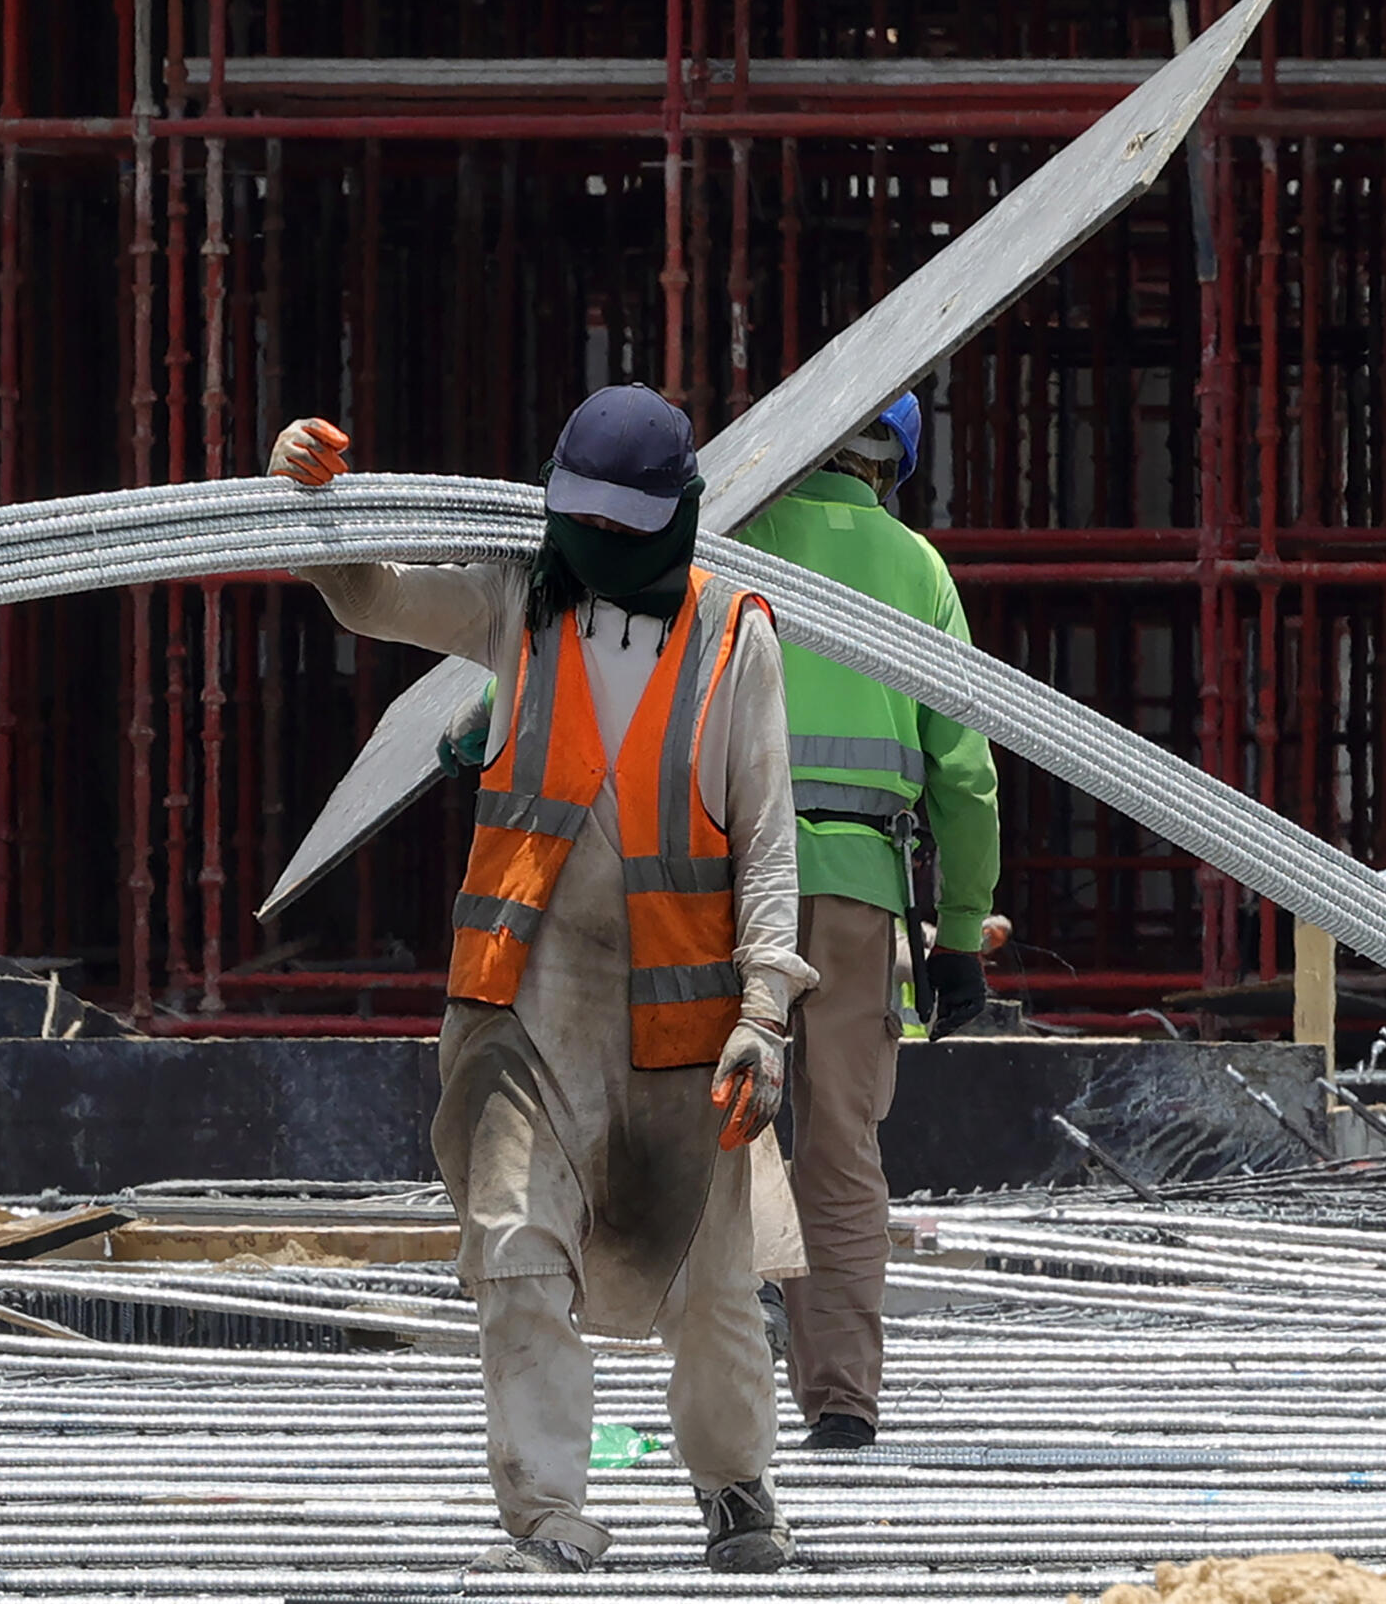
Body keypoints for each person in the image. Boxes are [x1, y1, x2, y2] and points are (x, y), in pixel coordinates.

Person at [268, 389, 817, 1575]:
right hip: (527, 1008)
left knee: (712, 1288)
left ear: (672, 517)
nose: (599, 544)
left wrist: (764, 1012)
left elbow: (770, 843)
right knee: (513, 1247)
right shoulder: (521, 599)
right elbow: (372, 596)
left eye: (622, 525)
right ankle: (547, 1509)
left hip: (684, 1024)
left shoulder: (735, 639)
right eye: (586, 520)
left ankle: (734, 1481)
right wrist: (311, 503)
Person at [728, 391, 1000, 1452]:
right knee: (840, 1145)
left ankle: (726, 1384)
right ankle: (840, 1398)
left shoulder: (740, 536)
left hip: (728, 884)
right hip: (858, 893)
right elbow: (965, 779)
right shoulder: (917, 568)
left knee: (725, 1128)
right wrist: (960, 939)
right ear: (894, 468)